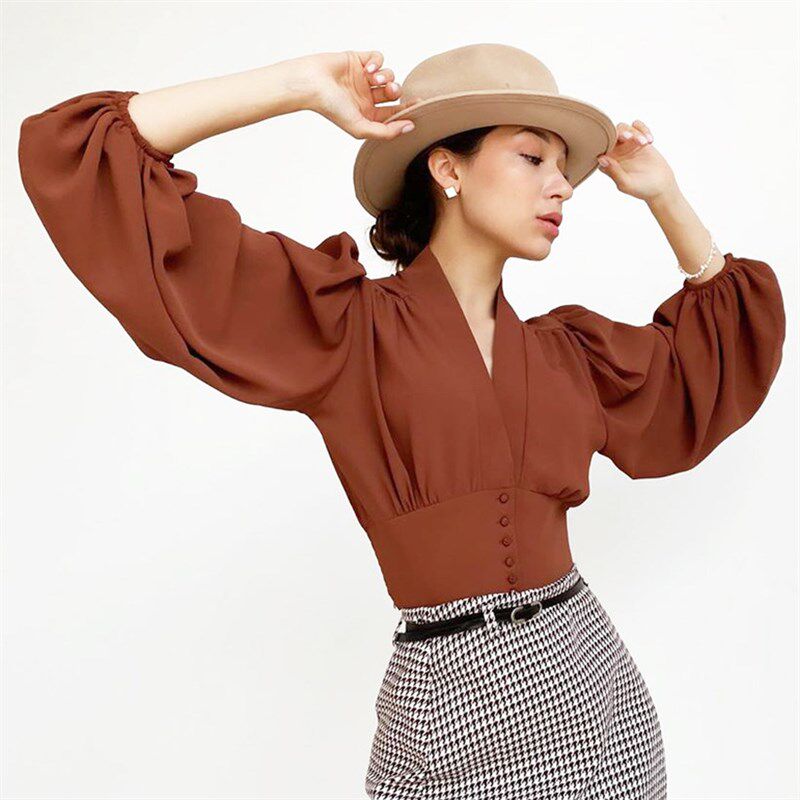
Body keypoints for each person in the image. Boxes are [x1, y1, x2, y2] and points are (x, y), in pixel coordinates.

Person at [18, 43, 785, 800]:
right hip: (445, 702)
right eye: (531, 158)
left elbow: (715, 354)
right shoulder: (346, 326)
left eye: (563, 166)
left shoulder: (569, 354)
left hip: (595, 689)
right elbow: (89, 155)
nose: (561, 186)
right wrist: (296, 85)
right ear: (447, 169)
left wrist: (663, 195)